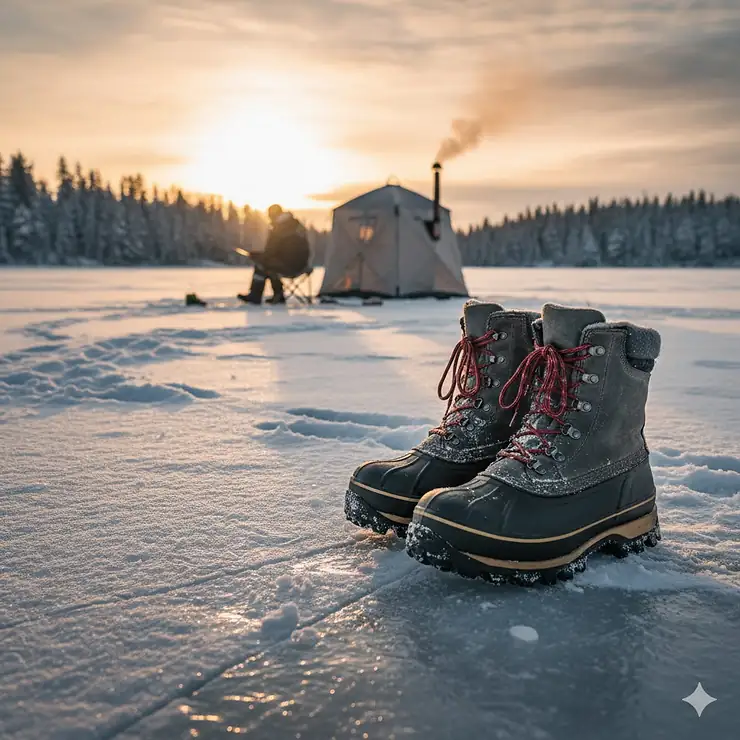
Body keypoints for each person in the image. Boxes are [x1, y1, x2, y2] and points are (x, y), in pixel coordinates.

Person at [238, 204, 310, 305]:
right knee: (270, 265)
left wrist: (256, 256)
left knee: (262, 266)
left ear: (272, 215)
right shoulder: (294, 225)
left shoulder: (279, 229)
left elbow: (271, 251)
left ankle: (256, 296)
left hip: (288, 266)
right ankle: (278, 295)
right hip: (302, 265)